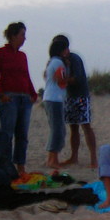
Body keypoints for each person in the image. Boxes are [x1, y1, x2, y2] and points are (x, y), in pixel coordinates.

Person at [0, 22, 37, 175]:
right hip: (9, 99)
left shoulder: (22, 56)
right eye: (22, 35)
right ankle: (7, 166)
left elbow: (26, 77)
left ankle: (20, 166)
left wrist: (33, 94)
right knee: (7, 135)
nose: (24, 38)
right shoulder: (0, 52)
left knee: (22, 136)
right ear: (13, 36)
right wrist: (1, 94)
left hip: (24, 99)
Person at [52, 35, 98, 168]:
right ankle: (74, 157)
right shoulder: (60, 61)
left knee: (85, 126)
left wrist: (62, 80)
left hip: (80, 96)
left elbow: (76, 78)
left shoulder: (74, 58)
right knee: (73, 127)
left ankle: (93, 158)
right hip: (69, 97)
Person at [43, 38, 69, 169]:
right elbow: (62, 80)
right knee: (58, 130)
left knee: (57, 129)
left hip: (51, 98)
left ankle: (52, 158)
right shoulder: (58, 62)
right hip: (54, 98)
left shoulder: (51, 62)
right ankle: (52, 159)